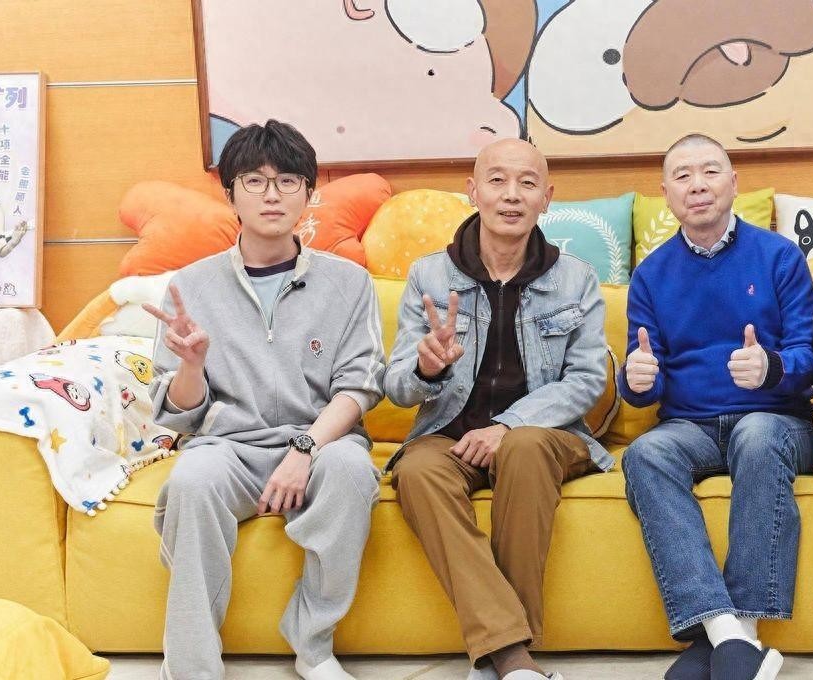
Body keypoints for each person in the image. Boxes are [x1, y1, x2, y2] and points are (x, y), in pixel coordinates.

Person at [147, 120, 385, 680]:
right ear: (230, 194)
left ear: (309, 193)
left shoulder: (349, 283)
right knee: (190, 481)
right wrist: (191, 364)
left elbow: (359, 385)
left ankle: (313, 646)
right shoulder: (190, 286)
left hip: (320, 444)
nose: (271, 195)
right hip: (228, 447)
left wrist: (305, 448)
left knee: (352, 469)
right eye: (254, 181)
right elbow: (181, 415)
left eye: (287, 181)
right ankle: (191, 667)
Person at [383, 138, 611, 680]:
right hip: (451, 433)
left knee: (524, 448)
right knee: (416, 470)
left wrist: (509, 425)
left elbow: (587, 380)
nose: (512, 195)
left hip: (548, 435)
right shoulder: (428, 277)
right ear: (473, 191)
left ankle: (503, 655)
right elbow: (395, 387)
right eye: (497, 180)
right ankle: (514, 659)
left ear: (546, 198)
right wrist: (427, 369)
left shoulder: (575, 278)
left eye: (527, 183)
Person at [619, 133, 813, 680]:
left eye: (710, 171)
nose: (698, 185)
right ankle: (724, 632)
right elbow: (643, 378)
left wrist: (772, 367)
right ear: (666, 193)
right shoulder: (651, 275)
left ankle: (743, 633)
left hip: (778, 422)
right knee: (645, 454)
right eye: (682, 175)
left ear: (734, 183)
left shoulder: (780, 257)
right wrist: (635, 381)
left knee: (756, 433)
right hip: (692, 426)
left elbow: (810, 358)